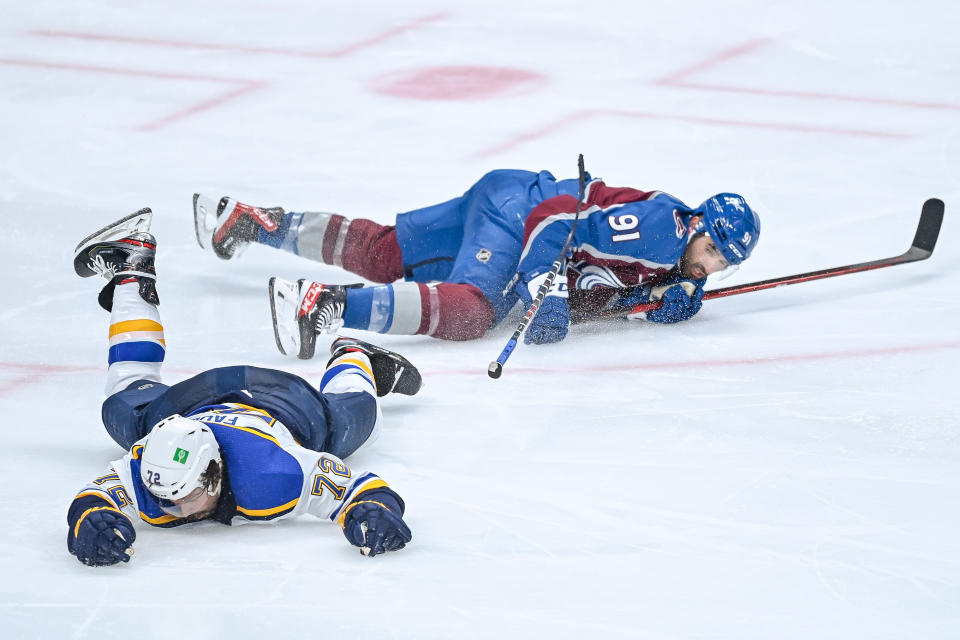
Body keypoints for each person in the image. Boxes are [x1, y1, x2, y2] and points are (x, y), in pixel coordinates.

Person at [67, 209, 422, 567]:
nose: (169, 510)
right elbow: (97, 497)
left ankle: (353, 353)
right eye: (162, 498)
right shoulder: (150, 467)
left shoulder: (277, 470)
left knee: (360, 416)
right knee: (121, 398)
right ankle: (132, 269)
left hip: (281, 400)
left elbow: (358, 489)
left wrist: (372, 511)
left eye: (181, 497)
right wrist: (90, 520)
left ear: (212, 475)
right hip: (188, 402)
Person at [192, 167, 761, 359]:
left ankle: (252, 221)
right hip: (520, 214)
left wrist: (651, 304)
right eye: (711, 251)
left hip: (507, 192)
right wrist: (544, 283)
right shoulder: (663, 229)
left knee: (389, 254)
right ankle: (324, 305)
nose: (709, 267)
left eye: (721, 266)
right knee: (475, 312)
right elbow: (560, 217)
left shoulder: (675, 259)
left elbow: (602, 281)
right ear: (699, 225)